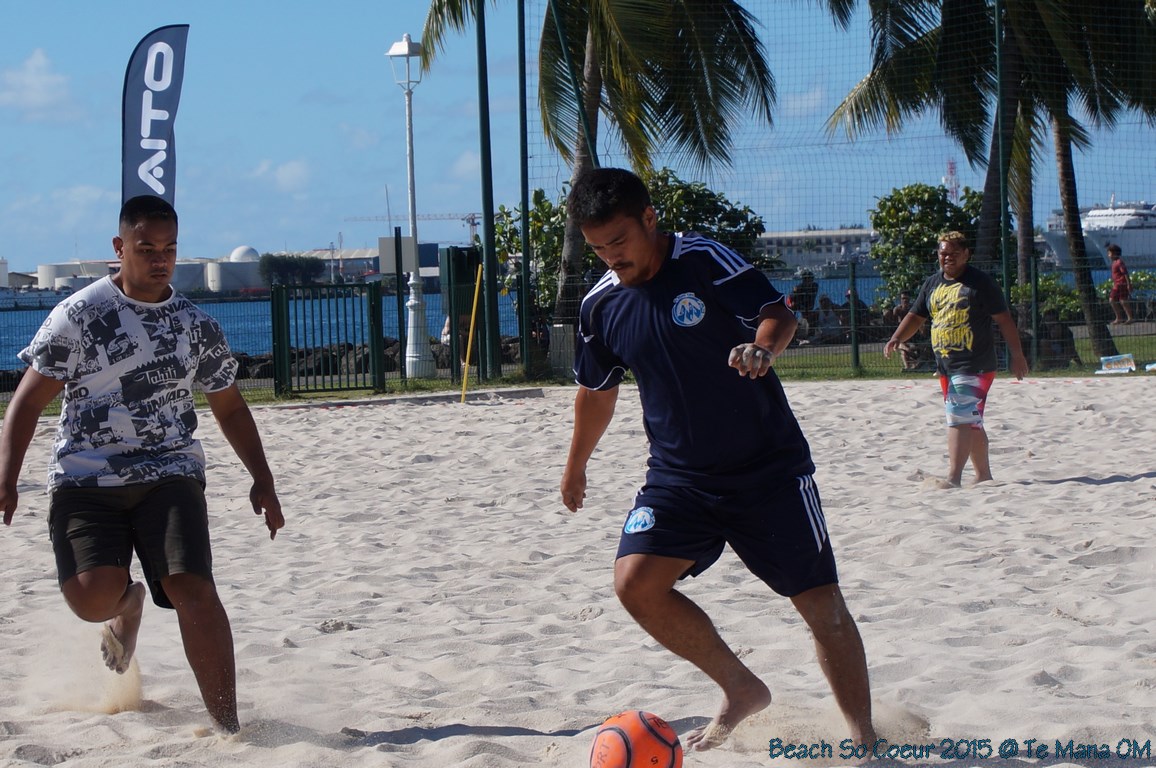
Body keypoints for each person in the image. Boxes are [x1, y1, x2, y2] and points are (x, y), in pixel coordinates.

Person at [559, 168, 876, 753]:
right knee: (635, 584)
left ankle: (864, 739)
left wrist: (762, 347)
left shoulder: (703, 260)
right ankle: (740, 686)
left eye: (619, 243)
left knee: (822, 608)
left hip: (768, 471)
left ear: (650, 220)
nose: (611, 258)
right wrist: (576, 464)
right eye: (598, 248)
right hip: (678, 479)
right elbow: (597, 391)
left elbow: (779, 313)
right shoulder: (601, 305)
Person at [0, 194, 285, 733]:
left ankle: (229, 728)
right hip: (86, 475)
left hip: (169, 473)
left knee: (191, 587)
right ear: (120, 247)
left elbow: (229, 406)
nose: (160, 259)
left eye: (170, 249)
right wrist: (7, 477)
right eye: (147, 248)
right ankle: (126, 606)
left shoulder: (196, 325)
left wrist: (262, 480)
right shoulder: (79, 316)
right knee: (90, 600)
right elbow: (28, 401)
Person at [884, 231, 1029, 488]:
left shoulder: (980, 283)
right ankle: (984, 476)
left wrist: (1017, 355)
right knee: (970, 419)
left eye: (952, 253)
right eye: (942, 253)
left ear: (966, 254)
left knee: (959, 416)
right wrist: (896, 337)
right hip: (946, 366)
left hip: (975, 363)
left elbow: (1004, 319)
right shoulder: (932, 283)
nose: (947, 258)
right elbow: (916, 316)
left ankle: (953, 477)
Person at [1107, 243, 1134, 325]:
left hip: (1121, 284)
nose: (1108, 255)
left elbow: (1125, 273)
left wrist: (1129, 284)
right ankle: (1120, 317)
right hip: (1117, 284)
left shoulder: (1119, 262)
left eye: (1109, 253)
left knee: (1122, 301)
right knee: (1114, 300)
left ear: (1115, 253)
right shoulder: (1114, 262)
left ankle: (1128, 318)